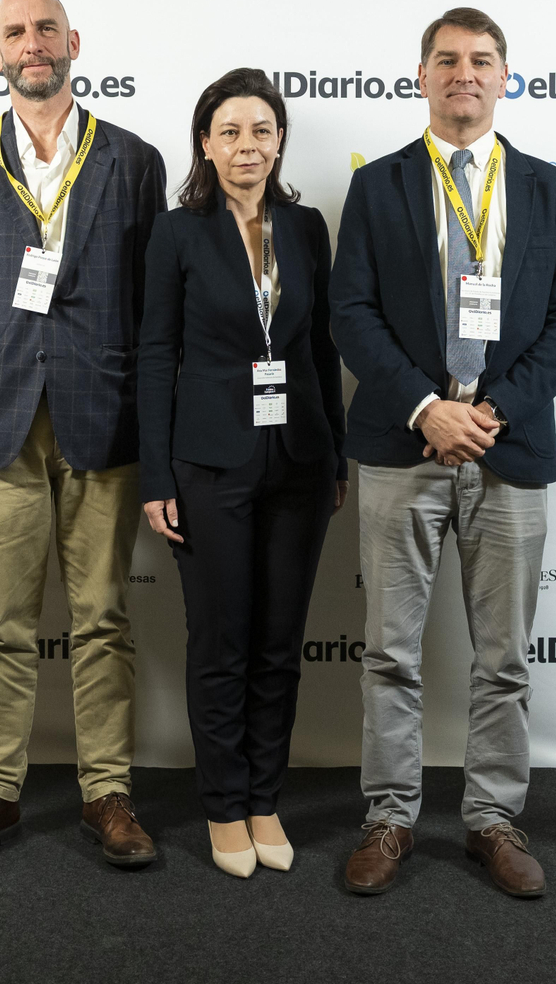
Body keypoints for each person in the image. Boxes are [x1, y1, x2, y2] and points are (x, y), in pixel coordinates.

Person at [330, 7, 556, 899]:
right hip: (403, 448)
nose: (464, 75)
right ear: (422, 75)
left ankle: (492, 819)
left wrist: (492, 411)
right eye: (447, 60)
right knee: (390, 653)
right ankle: (390, 816)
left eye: (481, 60)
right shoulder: (378, 188)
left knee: (504, 658)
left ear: (505, 76)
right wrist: (425, 407)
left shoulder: (554, 191)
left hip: (509, 451)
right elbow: (350, 314)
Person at [0, 0, 167, 871]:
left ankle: (108, 792)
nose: (33, 44)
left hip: (104, 416)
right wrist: (5, 360)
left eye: (46, 30)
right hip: (0, 420)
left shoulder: (134, 161)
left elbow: (151, 301)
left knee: (102, 615)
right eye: (15, 33)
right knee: (3, 621)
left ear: (75, 41)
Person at [137, 69, 348, 878]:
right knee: (221, 640)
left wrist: (330, 452)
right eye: (229, 132)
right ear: (205, 143)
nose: (246, 146)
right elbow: (157, 355)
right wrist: (157, 474)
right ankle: (224, 803)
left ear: (279, 139)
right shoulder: (177, 232)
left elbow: (319, 349)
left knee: (279, 642)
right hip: (207, 463)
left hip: (297, 461)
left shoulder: (306, 228)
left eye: (260, 130)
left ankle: (266, 795)